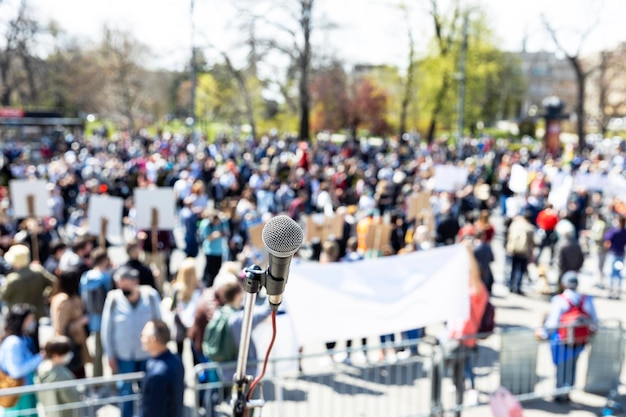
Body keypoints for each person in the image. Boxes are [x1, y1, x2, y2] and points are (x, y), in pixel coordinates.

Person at [101, 266, 162, 417]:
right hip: (124, 355)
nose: (123, 290)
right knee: (126, 392)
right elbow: (106, 329)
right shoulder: (113, 299)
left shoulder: (150, 296)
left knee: (148, 391)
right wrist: (109, 354)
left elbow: (160, 323)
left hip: (147, 354)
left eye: (126, 286)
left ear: (136, 282)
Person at [535, 271, 598, 403]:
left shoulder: (559, 300)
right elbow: (594, 320)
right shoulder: (586, 299)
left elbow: (553, 322)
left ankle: (559, 392)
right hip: (580, 340)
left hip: (562, 340)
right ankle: (568, 390)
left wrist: (544, 333)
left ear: (564, 284)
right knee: (573, 365)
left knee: (561, 367)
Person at [440, 243, 489, 413]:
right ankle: (460, 394)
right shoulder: (464, 290)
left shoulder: (478, 291)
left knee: (465, 368)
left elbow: (474, 274)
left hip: (465, 337)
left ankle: (470, 391)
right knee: (460, 369)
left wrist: (469, 253)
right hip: (455, 336)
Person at [0, 304, 45, 417]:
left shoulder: (23, 338)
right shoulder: (13, 342)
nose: (33, 322)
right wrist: (40, 358)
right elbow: (16, 371)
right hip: (19, 394)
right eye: (31, 319)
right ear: (22, 321)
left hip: (24, 390)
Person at [49, 267, 91, 378]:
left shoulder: (71, 297)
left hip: (76, 343)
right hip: (69, 347)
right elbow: (60, 327)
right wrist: (80, 322)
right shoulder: (63, 300)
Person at [79, 247, 114, 377]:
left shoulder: (86, 277)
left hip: (92, 319)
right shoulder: (106, 277)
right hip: (106, 318)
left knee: (98, 352)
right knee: (110, 351)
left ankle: (97, 379)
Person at [140, 320, 185, 417]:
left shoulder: (158, 375)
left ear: (153, 340)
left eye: (143, 336)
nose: (141, 339)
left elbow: (154, 411)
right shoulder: (176, 360)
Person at [1, 244, 56, 321]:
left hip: (18, 319)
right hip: (38, 314)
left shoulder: (13, 279)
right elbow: (55, 283)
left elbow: (3, 296)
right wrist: (46, 294)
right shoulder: (38, 270)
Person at [36, 336, 81, 417]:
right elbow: (72, 398)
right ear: (56, 355)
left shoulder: (42, 367)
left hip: (50, 412)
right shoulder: (61, 375)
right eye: (65, 353)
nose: (69, 355)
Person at [169, 257, 203, 357]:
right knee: (195, 354)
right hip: (194, 325)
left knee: (179, 352)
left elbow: (172, 307)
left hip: (179, 325)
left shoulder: (176, 288)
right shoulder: (199, 288)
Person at [505, 210, 535, 295]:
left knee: (513, 267)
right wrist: (531, 254)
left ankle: (511, 285)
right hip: (524, 251)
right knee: (521, 270)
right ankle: (517, 287)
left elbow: (509, 235)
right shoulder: (530, 228)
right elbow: (532, 243)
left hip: (512, 249)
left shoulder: (515, 224)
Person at [603, 215, 626, 299]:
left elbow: (606, 237)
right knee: (618, 273)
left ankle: (612, 291)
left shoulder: (615, 231)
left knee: (612, 273)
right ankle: (618, 291)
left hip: (614, 254)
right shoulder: (624, 231)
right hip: (621, 254)